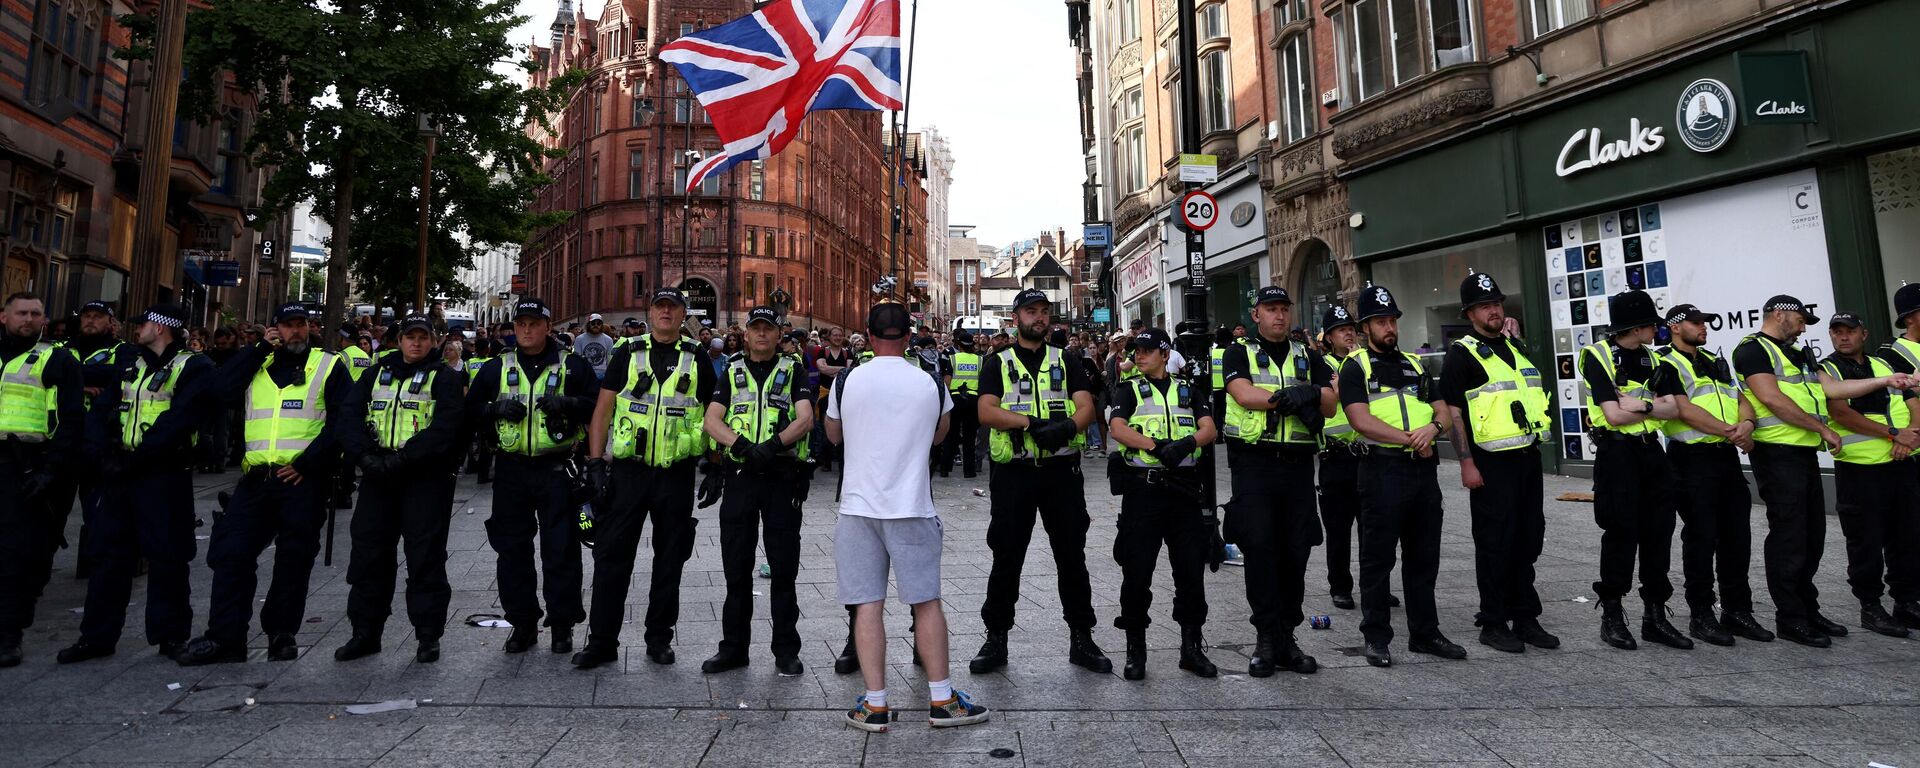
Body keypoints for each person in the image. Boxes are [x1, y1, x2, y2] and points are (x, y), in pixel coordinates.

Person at [828, 301, 989, 732]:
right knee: (926, 603)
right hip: (912, 505)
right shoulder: (930, 382)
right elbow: (941, 434)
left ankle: (875, 704)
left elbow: (833, 434)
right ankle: (942, 699)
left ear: (869, 332)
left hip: (859, 507)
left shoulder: (847, 379)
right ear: (909, 337)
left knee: (867, 606)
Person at [176, 302, 352, 665]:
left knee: (293, 559)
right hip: (256, 480)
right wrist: (258, 349)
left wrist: (309, 462)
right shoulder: (258, 363)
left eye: (301, 325)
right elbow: (220, 391)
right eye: (288, 326)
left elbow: (342, 422)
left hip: (301, 482)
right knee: (230, 554)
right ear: (275, 330)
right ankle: (227, 638)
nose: (296, 332)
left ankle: (281, 633)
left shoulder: (329, 365)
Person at [1733, 295, 1902, 646]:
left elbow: (1831, 390)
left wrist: (1884, 381)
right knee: (1789, 537)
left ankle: (1808, 609)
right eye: (1800, 319)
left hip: (1803, 453)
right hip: (1777, 453)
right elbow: (1772, 399)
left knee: (1812, 537)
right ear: (1780, 314)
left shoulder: (1795, 353)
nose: (1804, 326)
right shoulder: (1752, 349)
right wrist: (1824, 429)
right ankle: (1790, 618)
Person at [56, 304, 209, 664]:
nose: (136, 328)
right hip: (119, 475)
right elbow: (103, 411)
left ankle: (170, 635)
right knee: (108, 555)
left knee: (167, 557)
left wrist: (136, 459)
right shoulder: (129, 364)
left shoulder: (193, 366)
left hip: (162, 476)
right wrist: (104, 455)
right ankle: (97, 636)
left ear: (161, 328)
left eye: (142, 323)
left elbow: (179, 420)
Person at [969, 289, 1110, 675]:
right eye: (1032, 311)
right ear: (1016, 318)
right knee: (1007, 555)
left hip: (1061, 473)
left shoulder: (1067, 360)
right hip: (1014, 473)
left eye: (1045, 312)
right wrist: (1030, 424)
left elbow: (1086, 406)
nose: (1040, 318)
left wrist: (1067, 427)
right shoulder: (996, 361)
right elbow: (986, 411)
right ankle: (996, 637)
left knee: (1071, 556)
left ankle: (1082, 637)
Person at [572, 289, 714, 668]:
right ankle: (602, 641)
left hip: (675, 475)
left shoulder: (697, 356)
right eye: (659, 306)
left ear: (684, 314)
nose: (666, 312)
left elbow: (714, 412)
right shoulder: (627, 351)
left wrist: (715, 466)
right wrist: (595, 462)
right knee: (610, 557)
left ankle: (659, 638)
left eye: (673, 307)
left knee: (670, 559)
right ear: (650, 312)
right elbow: (603, 409)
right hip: (628, 473)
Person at [1338, 286, 1464, 667]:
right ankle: (1376, 637)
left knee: (1424, 556)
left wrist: (1434, 430)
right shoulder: (1355, 366)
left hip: (1421, 470)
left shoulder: (1416, 362)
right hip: (1382, 469)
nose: (1389, 327)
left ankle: (1425, 633)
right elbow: (1361, 420)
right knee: (1378, 559)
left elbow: (1442, 410)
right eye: (1380, 321)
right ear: (1365, 327)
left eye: (1392, 320)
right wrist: (1411, 439)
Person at [465, 298, 599, 654]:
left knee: (561, 549)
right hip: (511, 470)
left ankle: (562, 624)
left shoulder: (573, 366)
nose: (526, 330)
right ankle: (522, 622)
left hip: (557, 470)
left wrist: (568, 405)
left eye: (533, 323)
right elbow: (469, 410)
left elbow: (597, 405)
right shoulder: (497, 367)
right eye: (520, 323)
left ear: (547, 325)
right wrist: (495, 409)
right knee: (511, 550)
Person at [333, 315, 467, 664]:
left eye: (424, 337)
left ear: (434, 341)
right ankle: (365, 632)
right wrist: (364, 457)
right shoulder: (375, 374)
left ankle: (427, 636)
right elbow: (348, 417)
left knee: (425, 558)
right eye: (411, 337)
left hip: (423, 480)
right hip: (378, 477)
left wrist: (403, 460)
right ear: (399, 340)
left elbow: (446, 428)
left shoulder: (445, 378)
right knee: (369, 556)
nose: (417, 343)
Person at [1440, 272, 1561, 655]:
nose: (1493, 310)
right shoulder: (1462, 354)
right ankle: (1493, 621)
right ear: (1470, 313)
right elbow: (1455, 413)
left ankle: (1524, 615)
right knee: (1495, 542)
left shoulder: (1516, 348)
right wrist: (1466, 463)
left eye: (1496, 304)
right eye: (1484, 306)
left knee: (1528, 538)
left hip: (1526, 457)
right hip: (1491, 464)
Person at [688, 307, 813, 675]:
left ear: (779, 335)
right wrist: (741, 446)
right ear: (746, 335)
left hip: (781, 474)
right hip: (741, 475)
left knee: (784, 567)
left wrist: (772, 446)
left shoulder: (793, 370)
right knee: (737, 568)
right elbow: (711, 419)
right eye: (755, 329)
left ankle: (786, 650)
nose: (761, 335)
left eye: (768, 329)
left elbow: (806, 417)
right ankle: (733, 649)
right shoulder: (731, 370)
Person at [1220, 286, 1334, 677]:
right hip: (1256, 465)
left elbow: (1331, 401)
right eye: (1271, 309)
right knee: (1261, 550)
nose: (1279, 316)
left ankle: (1288, 636)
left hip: (1299, 467)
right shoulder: (1239, 352)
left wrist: (1309, 393)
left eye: (1284, 309)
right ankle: (1265, 637)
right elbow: (1242, 393)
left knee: (1296, 551)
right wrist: (1292, 396)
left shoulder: (1307, 354)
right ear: (1257, 315)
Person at [1651, 304, 1770, 646]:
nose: (1704, 327)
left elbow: (1742, 398)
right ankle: (1701, 613)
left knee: (1737, 536)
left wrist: (1746, 424)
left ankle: (1737, 610)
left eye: (1705, 322)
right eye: (1696, 322)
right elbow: (1683, 409)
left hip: (1725, 457)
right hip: (1691, 458)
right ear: (1675, 327)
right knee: (1702, 537)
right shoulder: (1665, 362)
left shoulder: (1715, 360)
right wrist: (1732, 431)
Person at [1105, 326, 1218, 680]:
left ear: (1165, 354)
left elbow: (1209, 429)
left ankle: (1191, 648)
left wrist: (1185, 445)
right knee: (1137, 573)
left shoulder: (1188, 390)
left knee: (1189, 572)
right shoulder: (1129, 389)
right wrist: (1154, 446)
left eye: (1147, 350)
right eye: (1136, 350)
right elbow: (1117, 428)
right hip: (1145, 491)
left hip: (1183, 491)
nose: (1139, 355)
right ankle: (1135, 650)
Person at [1580, 290, 1688, 651]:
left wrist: (1640, 405)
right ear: (1636, 327)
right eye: (1651, 325)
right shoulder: (1597, 356)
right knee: (1621, 533)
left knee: (1659, 533)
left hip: (1651, 454)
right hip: (1617, 455)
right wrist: (1652, 407)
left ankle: (1655, 616)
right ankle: (1612, 615)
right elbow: (1612, 414)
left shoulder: (1657, 360)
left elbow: (1673, 410)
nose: (1656, 331)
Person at [1818, 312, 1920, 638]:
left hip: (1901, 462)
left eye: (1850, 331)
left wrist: (1911, 434)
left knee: (1907, 536)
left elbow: (1911, 400)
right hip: (1860, 468)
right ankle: (1871, 607)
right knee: (1865, 541)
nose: (1843, 337)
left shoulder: (1885, 365)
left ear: (1864, 333)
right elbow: (1840, 413)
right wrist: (1894, 433)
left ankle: (1906, 601)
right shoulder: (1828, 369)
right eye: (1837, 332)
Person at [0, 292, 84, 667]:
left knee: (21, 555)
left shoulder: (57, 359)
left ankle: (8, 634)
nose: (28, 319)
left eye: (36, 313)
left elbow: (71, 419)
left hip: (30, 464)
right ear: (4, 317)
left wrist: (53, 470)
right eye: (21, 313)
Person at [1316, 304, 1365, 610]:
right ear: (1329, 337)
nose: (1348, 333)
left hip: (1367, 455)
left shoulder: (1364, 363)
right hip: (1335, 456)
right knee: (1338, 527)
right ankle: (1340, 585)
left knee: (1373, 526)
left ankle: (1375, 584)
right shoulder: (1321, 366)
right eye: (1340, 329)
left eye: (1350, 328)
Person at [939, 330, 982, 478]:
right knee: (970, 437)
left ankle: (945, 469)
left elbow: (947, 381)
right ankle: (969, 471)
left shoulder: (953, 359)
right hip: (973, 400)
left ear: (958, 344)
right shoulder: (979, 360)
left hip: (956, 399)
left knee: (951, 435)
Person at [815, 327, 854, 474]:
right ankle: (826, 461)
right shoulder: (822, 351)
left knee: (844, 427)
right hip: (825, 393)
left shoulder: (847, 352)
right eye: (835, 335)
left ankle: (842, 459)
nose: (837, 337)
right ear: (829, 337)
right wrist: (841, 369)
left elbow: (849, 371)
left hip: (843, 394)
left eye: (840, 335)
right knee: (826, 425)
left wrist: (832, 369)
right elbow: (822, 369)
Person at [574, 314, 617, 380]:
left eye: (598, 323)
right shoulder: (579, 339)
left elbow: (609, 359)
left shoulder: (608, 339)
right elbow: (577, 360)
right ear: (589, 324)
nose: (596, 325)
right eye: (593, 323)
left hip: (603, 375)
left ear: (601, 325)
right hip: (585, 375)